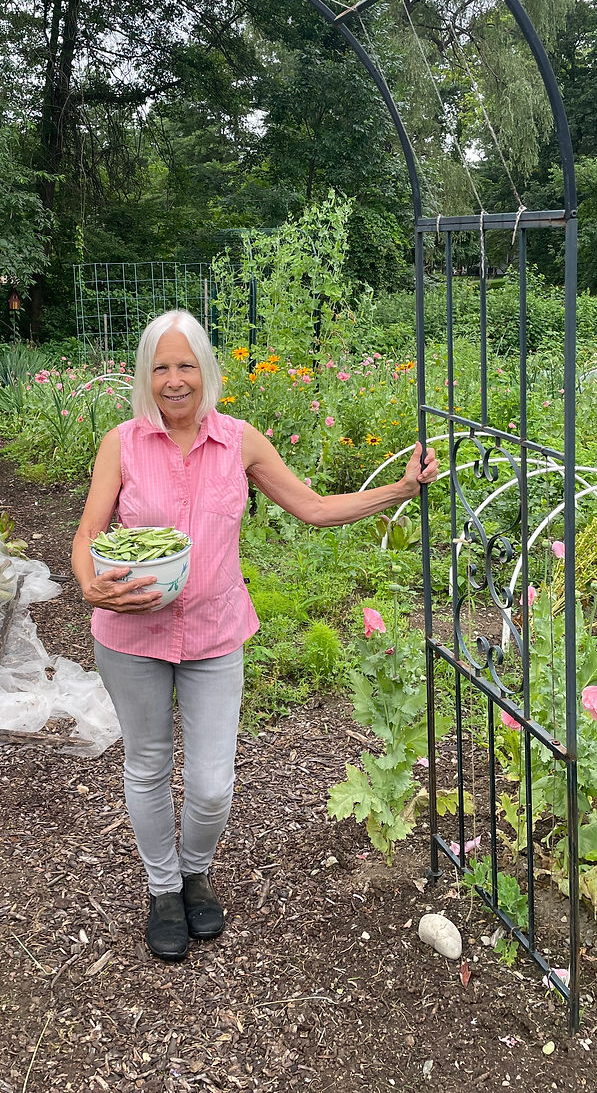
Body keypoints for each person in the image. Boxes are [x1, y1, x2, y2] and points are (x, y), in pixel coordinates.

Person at [71, 309, 439, 962]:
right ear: (145, 375)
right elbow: (87, 534)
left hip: (215, 635)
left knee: (212, 782)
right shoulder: (121, 443)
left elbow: (317, 508)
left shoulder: (239, 441)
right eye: (162, 367)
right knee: (149, 763)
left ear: (206, 371)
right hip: (131, 634)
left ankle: (194, 872)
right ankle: (162, 890)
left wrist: (402, 488)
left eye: (186, 365)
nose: (175, 380)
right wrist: (87, 581)